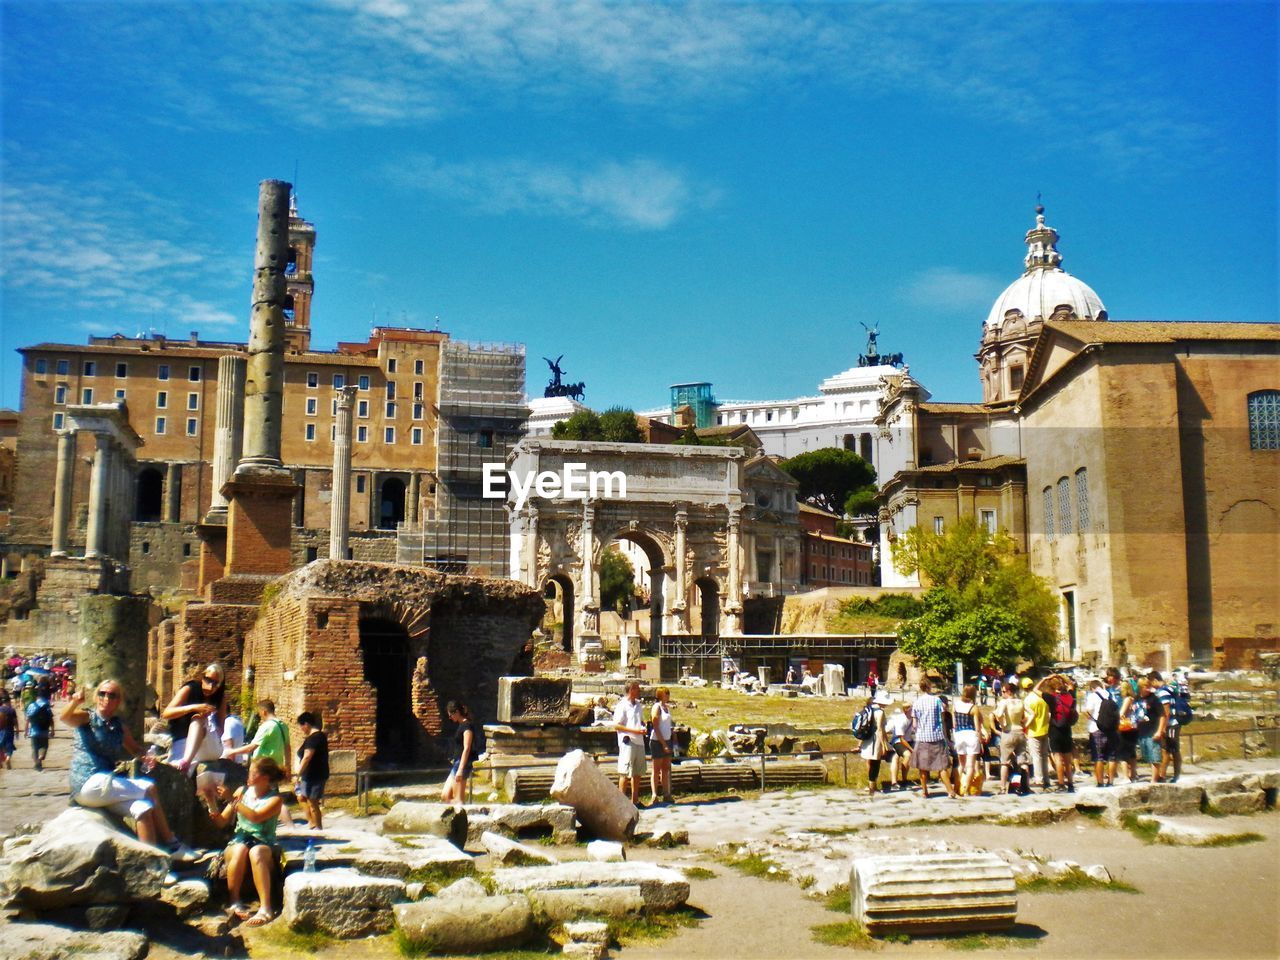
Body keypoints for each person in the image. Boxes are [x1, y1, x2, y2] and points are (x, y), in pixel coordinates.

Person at [61, 680, 194, 860]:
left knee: (143, 808)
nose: (106, 698)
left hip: (104, 787)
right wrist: (75, 701)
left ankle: (152, 864)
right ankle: (172, 844)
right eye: (102, 693)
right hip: (87, 782)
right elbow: (65, 718)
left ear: (119, 701)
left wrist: (146, 756)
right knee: (149, 788)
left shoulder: (118, 727)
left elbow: (135, 749)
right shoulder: (87, 718)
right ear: (96, 696)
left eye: (112, 695)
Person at [201, 756, 285, 928]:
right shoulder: (242, 792)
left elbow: (256, 817)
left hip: (263, 842)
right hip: (239, 840)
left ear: (265, 777)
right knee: (240, 849)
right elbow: (221, 822)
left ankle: (266, 908)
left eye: (253, 772)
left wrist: (231, 800)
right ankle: (234, 901)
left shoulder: (275, 800)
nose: (248, 775)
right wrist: (211, 801)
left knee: (256, 852)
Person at [161, 663, 227, 774]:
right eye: (208, 680)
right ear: (203, 676)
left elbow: (221, 729)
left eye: (215, 684)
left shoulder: (220, 698)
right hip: (183, 741)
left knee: (198, 719)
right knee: (173, 771)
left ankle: (186, 762)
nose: (210, 686)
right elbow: (166, 713)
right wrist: (193, 708)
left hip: (209, 744)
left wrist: (208, 728)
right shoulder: (190, 689)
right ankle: (186, 764)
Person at [225, 700, 291, 776]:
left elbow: (251, 747)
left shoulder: (267, 726)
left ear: (264, 712)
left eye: (260, 713)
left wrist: (232, 751)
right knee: (273, 787)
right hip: (276, 766)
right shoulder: (283, 726)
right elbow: (287, 748)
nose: (260, 716)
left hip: (263, 767)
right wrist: (287, 766)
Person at [911, 679, 950, 798]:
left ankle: (924, 791)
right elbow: (942, 719)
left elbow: (914, 724)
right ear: (929, 686)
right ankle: (950, 791)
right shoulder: (937, 701)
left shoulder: (917, 702)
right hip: (936, 736)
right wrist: (946, 737)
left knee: (922, 767)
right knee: (942, 766)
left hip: (922, 737)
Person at [440, 701, 483, 805]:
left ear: (457, 712)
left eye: (451, 715)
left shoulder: (467, 726)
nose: (450, 718)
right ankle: (457, 813)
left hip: (462, 763)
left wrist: (460, 769)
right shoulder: (461, 725)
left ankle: (461, 816)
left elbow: (467, 748)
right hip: (457, 762)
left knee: (458, 799)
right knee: (445, 795)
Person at [613, 681, 647, 806]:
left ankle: (635, 800)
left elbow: (641, 721)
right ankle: (621, 803)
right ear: (631, 690)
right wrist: (635, 731)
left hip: (639, 741)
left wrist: (643, 727)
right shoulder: (622, 705)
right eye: (637, 689)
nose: (639, 691)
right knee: (625, 772)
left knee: (637, 772)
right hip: (628, 741)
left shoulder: (638, 705)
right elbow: (617, 725)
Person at [293, 712, 329, 830]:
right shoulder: (317, 737)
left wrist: (297, 774)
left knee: (313, 803)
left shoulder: (314, 738)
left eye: (301, 726)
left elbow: (307, 756)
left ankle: (318, 828)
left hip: (315, 775)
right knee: (301, 797)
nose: (301, 729)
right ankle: (312, 822)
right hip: (308, 775)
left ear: (306, 724)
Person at [1083, 679, 1117, 788]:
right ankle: (1111, 781)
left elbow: (1087, 711)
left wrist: (1091, 718)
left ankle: (1100, 782)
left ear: (1092, 688)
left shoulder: (1093, 696)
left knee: (1098, 757)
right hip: (1111, 728)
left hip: (1097, 728)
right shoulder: (1110, 694)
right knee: (1112, 756)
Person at [952, 685, 984, 796]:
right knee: (970, 765)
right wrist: (980, 739)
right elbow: (977, 727)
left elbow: (954, 724)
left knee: (961, 765)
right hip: (971, 735)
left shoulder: (955, 705)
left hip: (959, 735)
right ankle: (966, 791)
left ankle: (956, 788)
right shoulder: (973, 707)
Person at [1022, 676, 1052, 792]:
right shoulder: (1041, 699)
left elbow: (1028, 716)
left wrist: (1025, 726)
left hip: (1034, 731)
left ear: (1024, 688)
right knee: (1044, 756)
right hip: (1045, 729)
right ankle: (1046, 779)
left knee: (1036, 756)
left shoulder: (1028, 701)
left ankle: (1038, 779)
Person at [1047, 676, 1077, 793]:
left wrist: (1047, 678)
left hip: (1055, 729)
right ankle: (1070, 784)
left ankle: (1061, 783)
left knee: (1058, 758)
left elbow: (1035, 690)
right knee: (1067, 759)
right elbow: (1071, 684)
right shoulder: (1070, 696)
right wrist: (1062, 677)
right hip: (1067, 729)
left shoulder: (1051, 698)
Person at [1151, 672, 1182, 783]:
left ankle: (1175, 775)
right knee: (1165, 750)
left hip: (1171, 724)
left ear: (1154, 680)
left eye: (1151, 683)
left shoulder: (1163, 692)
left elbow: (1166, 711)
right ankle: (1162, 775)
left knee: (1173, 750)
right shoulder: (1167, 689)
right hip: (1169, 724)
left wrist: (1163, 727)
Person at [647, 687, 675, 806]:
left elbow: (667, 725)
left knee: (666, 768)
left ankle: (666, 793)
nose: (668, 695)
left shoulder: (666, 708)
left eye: (668, 693)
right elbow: (656, 726)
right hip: (657, 741)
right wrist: (663, 744)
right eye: (666, 693)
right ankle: (654, 794)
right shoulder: (656, 707)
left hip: (667, 739)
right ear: (660, 695)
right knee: (656, 769)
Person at [860, 690, 891, 795]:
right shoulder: (880, 712)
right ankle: (872, 788)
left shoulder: (869, 709)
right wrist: (884, 745)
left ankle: (872, 786)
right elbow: (880, 730)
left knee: (872, 763)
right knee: (875, 764)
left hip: (867, 739)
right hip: (875, 741)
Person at [25, 682, 54, 771]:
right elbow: (51, 719)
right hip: (44, 731)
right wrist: (52, 730)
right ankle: (41, 758)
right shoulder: (47, 706)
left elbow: (27, 719)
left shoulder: (31, 706)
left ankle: (37, 762)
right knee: (44, 747)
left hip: (33, 731)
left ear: (37, 697)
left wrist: (26, 731)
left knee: (34, 749)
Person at [885, 702, 913, 790]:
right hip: (898, 741)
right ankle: (904, 780)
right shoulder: (901, 720)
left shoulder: (913, 719)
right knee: (907, 755)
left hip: (909, 740)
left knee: (924, 751)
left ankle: (926, 777)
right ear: (907, 710)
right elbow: (901, 738)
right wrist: (911, 749)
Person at [0, 689, 17, 769]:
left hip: (1, 731)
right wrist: (17, 729)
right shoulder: (12, 710)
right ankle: (8, 758)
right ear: (9, 701)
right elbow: (15, 721)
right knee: (9, 746)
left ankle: (0, 761)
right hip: (10, 730)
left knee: (1, 745)